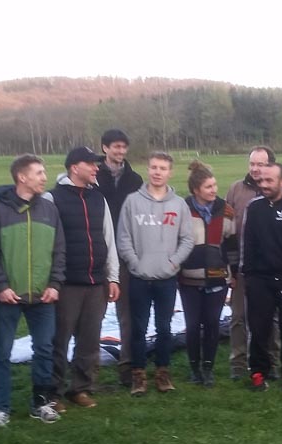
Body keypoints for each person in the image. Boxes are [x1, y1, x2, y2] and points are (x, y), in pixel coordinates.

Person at [0, 154, 66, 425]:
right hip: (7, 296)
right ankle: (1, 408)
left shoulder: (49, 209)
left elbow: (59, 250)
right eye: (39, 173)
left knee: (44, 349)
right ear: (22, 177)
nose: (44, 177)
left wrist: (54, 284)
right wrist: (1, 286)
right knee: (1, 352)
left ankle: (41, 403)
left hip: (43, 296)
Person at [116, 152, 195, 396]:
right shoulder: (132, 201)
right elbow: (123, 237)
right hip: (139, 277)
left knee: (164, 327)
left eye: (162, 168)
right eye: (154, 167)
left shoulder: (178, 204)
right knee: (138, 328)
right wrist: (135, 263)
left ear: (170, 172)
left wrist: (173, 262)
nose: (157, 172)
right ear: (148, 169)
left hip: (166, 278)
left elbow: (187, 239)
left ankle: (163, 372)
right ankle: (138, 375)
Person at [50, 146, 121, 408]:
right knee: (59, 340)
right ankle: (53, 392)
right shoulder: (52, 198)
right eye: (90, 164)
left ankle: (80, 388)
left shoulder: (98, 198)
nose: (96, 168)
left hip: (96, 283)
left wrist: (113, 278)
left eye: (96, 163)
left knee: (90, 340)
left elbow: (109, 239)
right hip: (66, 284)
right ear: (74, 167)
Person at [240, 162, 282, 391]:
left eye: (270, 180)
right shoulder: (254, 207)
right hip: (259, 279)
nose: (264, 184)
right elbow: (247, 243)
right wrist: (248, 274)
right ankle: (258, 371)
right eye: (261, 180)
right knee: (258, 329)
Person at [179, 160, 236, 387]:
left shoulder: (226, 209)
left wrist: (234, 272)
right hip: (189, 278)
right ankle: (194, 368)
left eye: (215, 185)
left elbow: (232, 244)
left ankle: (208, 368)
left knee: (212, 323)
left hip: (218, 276)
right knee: (192, 325)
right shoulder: (183, 208)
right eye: (208, 187)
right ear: (196, 190)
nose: (214, 190)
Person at [226, 146, 279, 382]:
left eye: (261, 164)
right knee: (238, 316)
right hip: (241, 267)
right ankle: (238, 363)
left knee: (271, 317)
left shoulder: (278, 191)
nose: (255, 169)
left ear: (271, 166)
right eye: (252, 164)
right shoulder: (235, 190)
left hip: (270, 268)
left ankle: (272, 361)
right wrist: (231, 267)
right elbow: (227, 231)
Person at [94, 129, 143, 389]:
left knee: (127, 314)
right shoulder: (93, 176)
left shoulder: (135, 180)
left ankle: (128, 367)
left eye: (124, 147)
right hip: (97, 253)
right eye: (116, 146)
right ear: (105, 148)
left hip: (124, 253)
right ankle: (88, 371)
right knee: (93, 315)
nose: (121, 151)